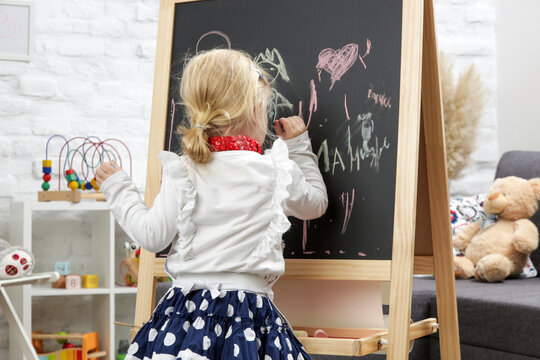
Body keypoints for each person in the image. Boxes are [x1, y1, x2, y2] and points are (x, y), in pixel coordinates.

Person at [96, 48, 328, 360]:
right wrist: (298, 146)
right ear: (257, 109)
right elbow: (316, 204)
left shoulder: (184, 170)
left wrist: (119, 189)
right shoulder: (276, 170)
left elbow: (152, 236)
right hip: (249, 316)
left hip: (183, 318)